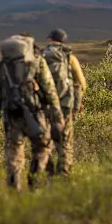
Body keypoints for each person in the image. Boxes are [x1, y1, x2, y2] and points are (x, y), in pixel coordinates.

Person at [0, 33, 65, 191]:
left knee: (14, 151)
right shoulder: (37, 60)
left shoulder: (5, 62)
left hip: (11, 115)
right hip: (35, 112)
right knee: (42, 146)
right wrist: (57, 116)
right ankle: (34, 180)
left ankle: (14, 187)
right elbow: (50, 89)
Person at [43, 28, 87, 176]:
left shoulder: (40, 57)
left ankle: (47, 173)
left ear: (49, 40)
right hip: (65, 106)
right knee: (65, 143)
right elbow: (81, 83)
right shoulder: (69, 58)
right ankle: (63, 175)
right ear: (63, 40)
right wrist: (76, 104)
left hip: (44, 107)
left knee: (44, 141)